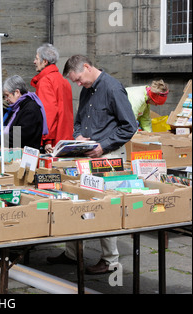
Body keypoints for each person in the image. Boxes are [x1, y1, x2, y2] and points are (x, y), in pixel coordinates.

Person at [46, 55, 137, 275]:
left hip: (108, 156)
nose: (78, 84)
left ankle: (109, 259)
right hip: (87, 154)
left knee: (107, 204)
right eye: (75, 82)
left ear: (87, 67)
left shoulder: (113, 88)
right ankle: (72, 253)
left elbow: (129, 126)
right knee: (77, 198)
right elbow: (78, 121)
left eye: (78, 79)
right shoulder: (87, 89)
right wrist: (78, 138)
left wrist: (102, 146)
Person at [31, 44, 73, 153]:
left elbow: (48, 113)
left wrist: (47, 140)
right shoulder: (63, 81)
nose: (34, 62)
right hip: (65, 137)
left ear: (45, 61)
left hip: (53, 141)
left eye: (36, 58)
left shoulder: (45, 81)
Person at [1, 75, 48, 149]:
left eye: (7, 95)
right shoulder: (20, 107)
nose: (6, 99)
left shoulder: (30, 109)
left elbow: (20, 135)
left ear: (17, 92)